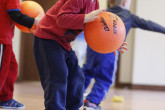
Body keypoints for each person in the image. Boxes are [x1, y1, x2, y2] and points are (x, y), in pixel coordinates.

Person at [83, 0, 165, 109]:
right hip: (109, 52)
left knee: (87, 72)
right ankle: (92, 103)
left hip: (93, 48)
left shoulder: (103, 13)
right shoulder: (129, 16)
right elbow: (148, 24)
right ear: (125, 2)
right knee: (105, 77)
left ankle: (74, 96)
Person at [32, 0, 106, 109]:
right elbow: (61, 19)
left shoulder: (95, 3)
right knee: (58, 76)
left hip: (64, 42)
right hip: (47, 38)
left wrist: (112, 43)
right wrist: (85, 17)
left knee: (77, 77)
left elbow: (92, 29)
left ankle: (72, 107)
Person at [0, 0, 42, 109]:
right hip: (1, 39)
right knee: (2, 72)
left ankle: (5, 99)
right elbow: (16, 15)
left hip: (6, 39)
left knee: (11, 67)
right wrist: (35, 21)